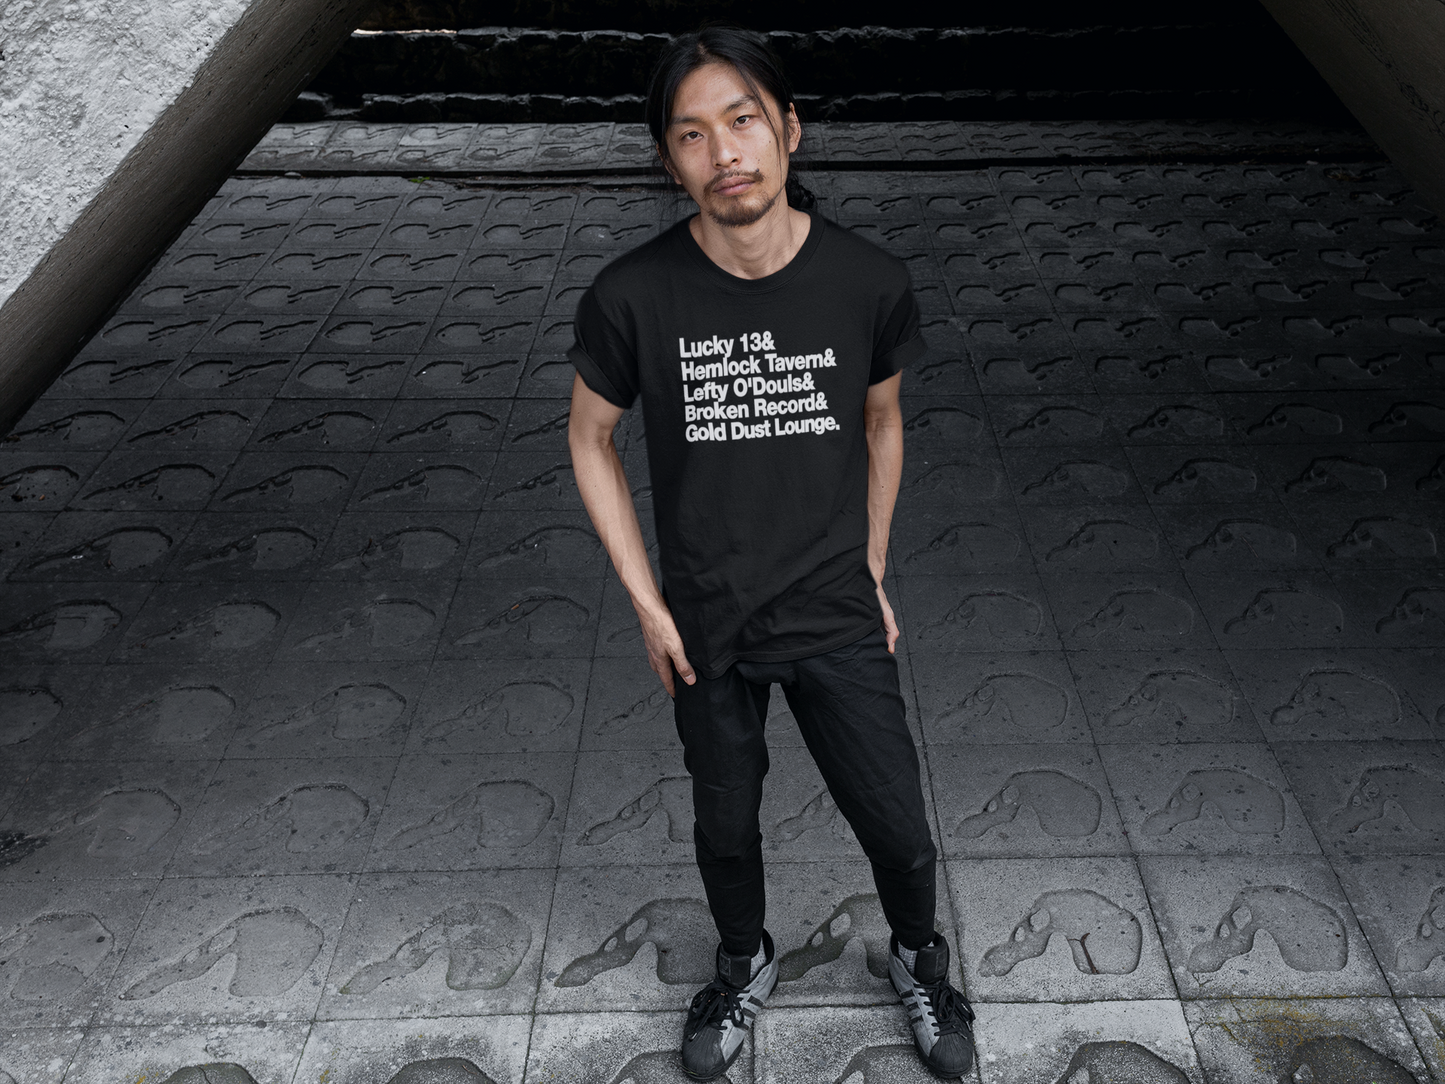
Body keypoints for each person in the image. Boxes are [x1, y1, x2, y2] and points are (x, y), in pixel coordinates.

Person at [566, 26, 975, 1081]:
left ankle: (919, 959)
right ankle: (742, 962)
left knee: (897, 823)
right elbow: (589, 436)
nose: (724, 152)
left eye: (742, 120)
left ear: (789, 129)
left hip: (833, 603)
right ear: (670, 161)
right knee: (724, 821)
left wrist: (872, 564)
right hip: (706, 619)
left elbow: (882, 421)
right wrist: (647, 602)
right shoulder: (631, 296)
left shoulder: (867, 280)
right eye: (691, 134)